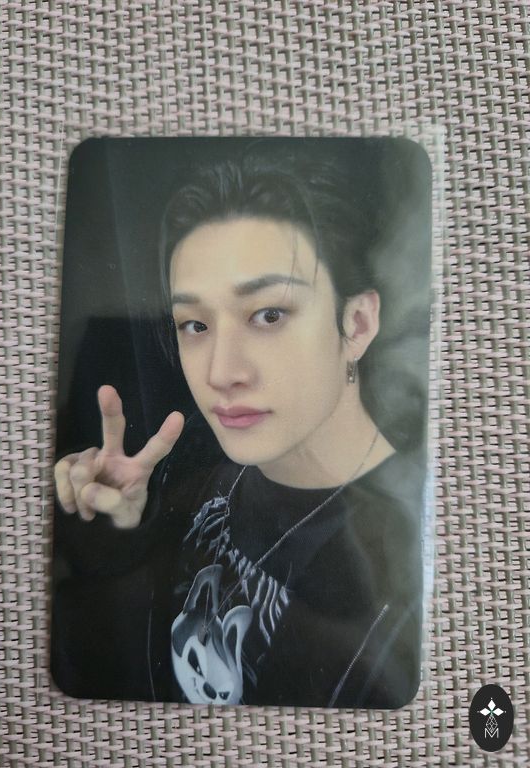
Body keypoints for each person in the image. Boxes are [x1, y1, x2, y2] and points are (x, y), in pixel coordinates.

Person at [52, 144, 427, 708]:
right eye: (195, 324)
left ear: (356, 323)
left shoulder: (411, 560)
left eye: (269, 314)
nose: (221, 373)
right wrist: (119, 526)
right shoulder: (199, 472)